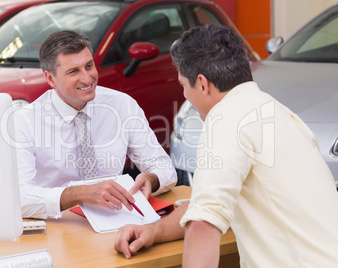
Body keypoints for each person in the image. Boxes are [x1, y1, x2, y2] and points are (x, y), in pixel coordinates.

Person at [114, 24, 338, 267]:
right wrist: (154, 232)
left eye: (183, 85)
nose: (185, 95)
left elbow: (202, 225)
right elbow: (206, 204)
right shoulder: (278, 113)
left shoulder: (227, 118)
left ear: (202, 84)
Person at [13, 30, 177, 219]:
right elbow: (19, 197)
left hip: (116, 218)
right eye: (74, 71)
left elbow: (165, 168)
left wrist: (152, 179)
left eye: (89, 66)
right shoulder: (24, 121)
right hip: (61, 225)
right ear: (51, 79)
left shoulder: (122, 104)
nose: (87, 78)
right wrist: (80, 194)